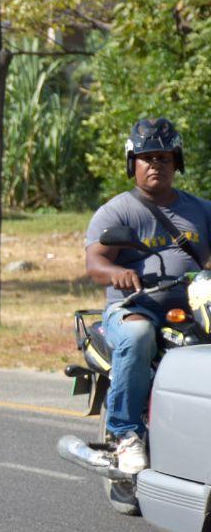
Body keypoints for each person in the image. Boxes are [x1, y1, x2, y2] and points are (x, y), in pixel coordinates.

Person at [85, 117, 211, 473]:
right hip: (135, 308)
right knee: (139, 334)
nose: (156, 164)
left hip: (196, 310)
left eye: (164, 157)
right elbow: (95, 263)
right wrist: (118, 273)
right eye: (147, 157)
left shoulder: (201, 209)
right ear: (132, 163)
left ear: (177, 162)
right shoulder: (118, 211)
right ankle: (124, 433)